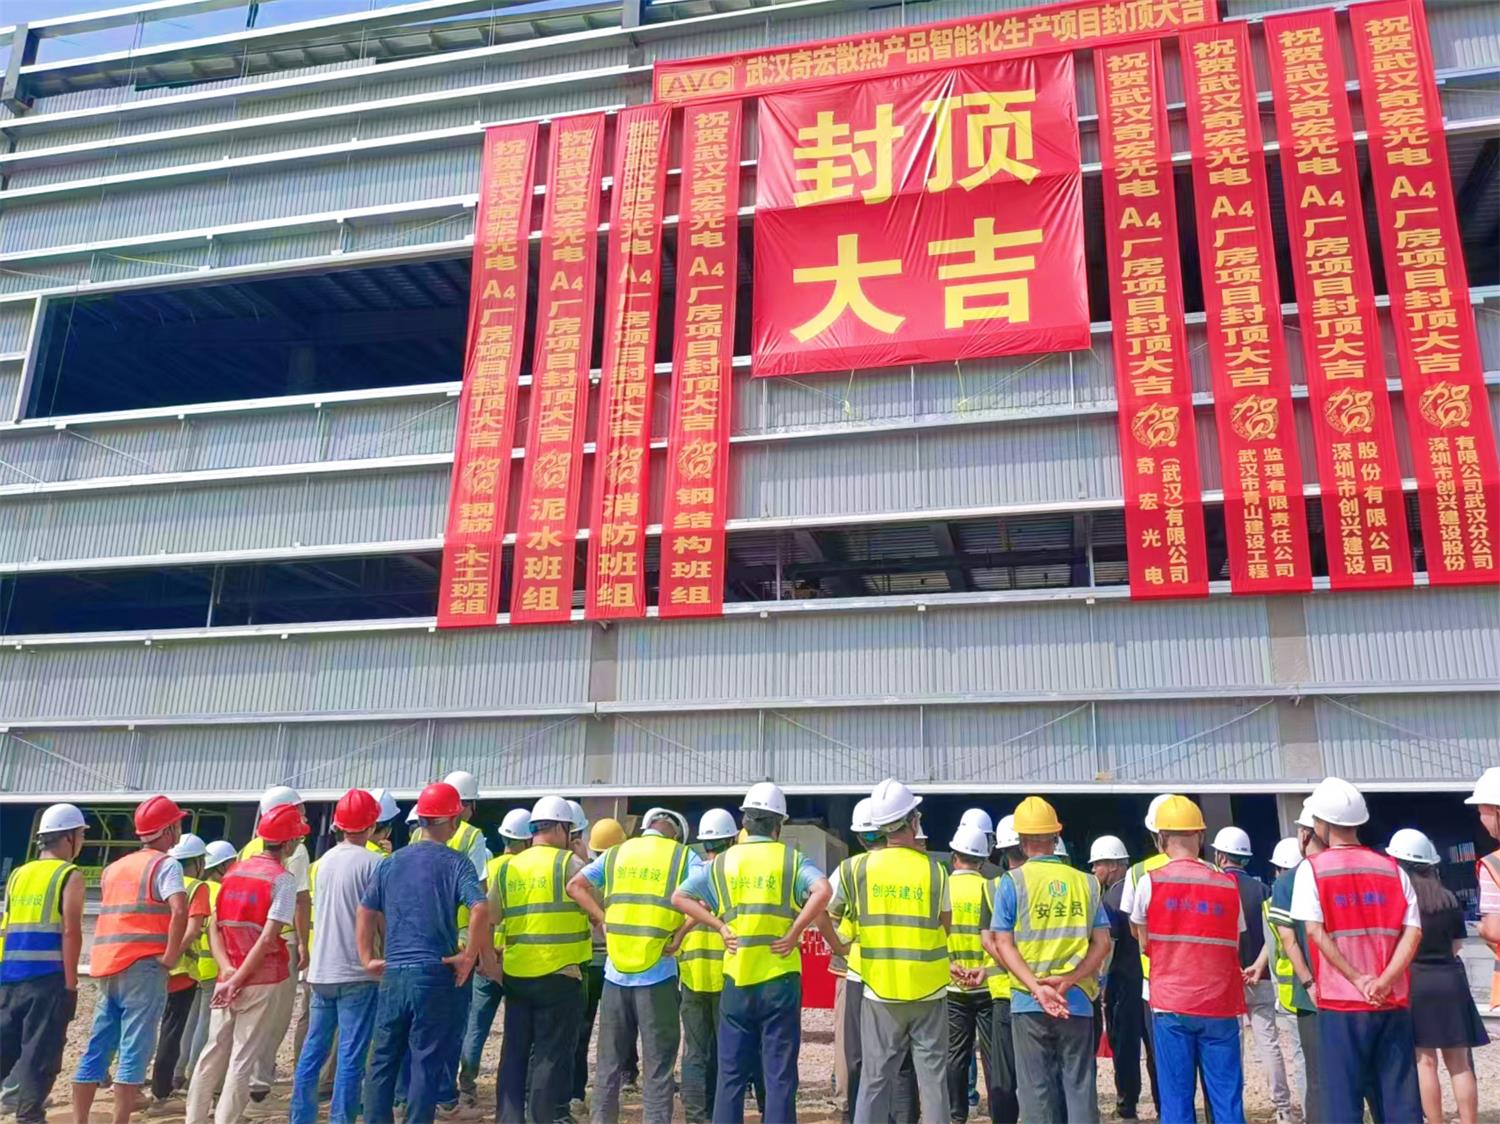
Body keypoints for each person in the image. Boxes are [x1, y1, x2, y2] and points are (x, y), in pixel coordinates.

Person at [672, 782, 832, 1124]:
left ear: (745, 823)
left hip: (737, 977)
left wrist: (720, 927)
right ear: (779, 825)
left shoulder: (722, 863)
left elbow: (680, 897)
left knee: (730, 1073)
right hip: (780, 978)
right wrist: (795, 932)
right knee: (779, 1074)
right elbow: (822, 890)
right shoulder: (791, 860)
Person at [1291, 776, 1423, 1123]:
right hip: (1392, 1001)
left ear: (1321, 824)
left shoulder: (1312, 870)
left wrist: (1359, 979)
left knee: (1342, 1104)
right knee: (1399, 1103)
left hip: (1341, 1004)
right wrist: (1384, 980)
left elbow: (1315, 932)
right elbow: (1412, 933)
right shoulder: (1393, 870)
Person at [360, 781, 493, 1124]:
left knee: (382, 1060)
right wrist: (469, 957)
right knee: (426, 1059)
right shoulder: (456, 862)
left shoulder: (391, 861)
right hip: (433, 973)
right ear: (453, 820)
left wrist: (366, 957)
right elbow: (480, 908)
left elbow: (366, 909)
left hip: (394, 970)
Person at [982, 795, 1111, 1124]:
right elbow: (1102, 943)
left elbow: (1002, 943)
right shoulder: (1087, 883)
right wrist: (1069, 979)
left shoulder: (1012, 882)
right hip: (1076, 998)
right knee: (1080, 1088)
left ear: (1022, 840)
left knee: (1036, 1091)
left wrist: (1037, 988)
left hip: (1029, 1001)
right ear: (1056, 836)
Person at [826, 780, 948, 1123]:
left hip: (879, 990)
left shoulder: (855, 869)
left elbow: (824, 910)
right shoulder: (935, 871)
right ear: (912, 821)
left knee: (874, 1079)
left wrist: (839, 946)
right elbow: (946, 924)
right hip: (929, 991)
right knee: (933, 1083)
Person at [566, 807, 695, 1124]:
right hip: (658, 973)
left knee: (608, 1063)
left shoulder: (615, 854)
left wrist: (602, 920)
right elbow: (709, 896)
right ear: (676, 834)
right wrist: (680, 934)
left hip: (615, 973)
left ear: (647, 826)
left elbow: (575, 886)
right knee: (658, 1065)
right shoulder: (682, 857)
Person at [185, 802, 307, 1124]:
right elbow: (267, 939)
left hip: (227, 976)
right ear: (290, 842)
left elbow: (214, 925)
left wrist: (227, 970)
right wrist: (238, 978)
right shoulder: (283, 880)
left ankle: (193, 1119)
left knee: (212, 1053)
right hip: (261, 979)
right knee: (242, 1058)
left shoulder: (234, 872)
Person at [73, 795, 190, 1124]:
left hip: (108, 965)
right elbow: (179, 909)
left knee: (98, 1046)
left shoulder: (114, 868)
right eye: (177, 824)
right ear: (167, 829)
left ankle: (80, 1119)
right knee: (135, 1048)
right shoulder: (166, 865)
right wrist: (171, 955)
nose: (180, 829)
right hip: (143, 965)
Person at [1129, 797, 1246, 1124]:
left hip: (1172, 1004)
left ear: (1160, 838)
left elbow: (1143, 940)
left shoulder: (1149, 882)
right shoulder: (1227, 884)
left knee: (1176, 1098)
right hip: (1220, 1003)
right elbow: (1234, 942)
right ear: (1201, 836)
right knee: (1227, 1097)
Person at [290, 789, 386, 1124]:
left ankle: (300, 1118)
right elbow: (381, 918)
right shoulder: (375, 864)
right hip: (358, 971)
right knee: (350, 1057)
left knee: (312, 1053)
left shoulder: (322, 863)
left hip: (321, 971)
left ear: (339, 824)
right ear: (372, 825)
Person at [493, 795, 589, 1123]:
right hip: (560, 973)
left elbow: (492, 915)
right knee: (550, 1055)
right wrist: (584, 859)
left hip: (517, 974)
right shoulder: (569, 864)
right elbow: (597, 905)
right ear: (562, 828)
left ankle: (508, 1118)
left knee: (514, 1053)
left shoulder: (509, 868)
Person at [1387, 828, 1487, 1124]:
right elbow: (1457, 946)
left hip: (1416, 981)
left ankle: (1435, 1120)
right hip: (1450, 981)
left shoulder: (1399, 900)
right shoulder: (1448, 899)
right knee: (1459, 1063)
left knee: (1425, 1062)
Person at [0, 804, 86, 1124]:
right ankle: (29, 1117)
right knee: (41, 1054)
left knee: (4, 1049)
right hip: (47, 979)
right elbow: (71, 932)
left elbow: (6, 926)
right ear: (68, 837)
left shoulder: (18, 874)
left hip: (9, 977)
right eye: (80, 835)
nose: (82, 842)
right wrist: (70, 984)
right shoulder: (68, 875)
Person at [1212, 826, 1293, 1124]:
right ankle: (1283, 1108)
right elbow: (1274, 936)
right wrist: (1259, 965)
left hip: (1227, 979)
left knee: (1231, 1047)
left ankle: (1232, 1110)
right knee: (1269, 1043)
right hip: (1261, 976)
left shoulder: (1216, 886)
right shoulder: (1263, 891)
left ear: (1220, 855)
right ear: (1245, 858)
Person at [238, 784, 313, 1102]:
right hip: (281, 940)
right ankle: (259, 1082)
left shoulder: (249, 847)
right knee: (277, 1013)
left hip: (247, 939)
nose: (304, 817)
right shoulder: (296, 848)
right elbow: (301, 899)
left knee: (249, 1010)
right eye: (300, 810)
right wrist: (304, 943)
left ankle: (242, 1075)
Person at [458, 806, 532, 1101]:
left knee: (476, 1026)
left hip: (485, 957)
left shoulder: (490, 867)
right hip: (515, 959)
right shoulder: (527, 870)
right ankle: (513, 1089)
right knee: (517, 1029)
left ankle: (466, 1085)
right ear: (527, 840)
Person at [678, 809, 738, 1124]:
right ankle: (721, 1114)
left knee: (695, 1051)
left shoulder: (692, 876)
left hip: (692, 974)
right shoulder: (731, 876)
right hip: (726, 974)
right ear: (733, 839)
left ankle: (695, 1116)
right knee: (727, 1051)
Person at [148, 833, 213, 1112]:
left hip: (149, 966)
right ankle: (160, 1093)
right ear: (197, 863)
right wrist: (173, 955)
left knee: (145, 1028)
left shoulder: (159, 880)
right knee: (172, 1032)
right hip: (180, 972)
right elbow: (194, 928)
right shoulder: (197, 887)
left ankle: (131, 1086)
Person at [1091, 833, 1151, 1120]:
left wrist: (1101, 982)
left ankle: (1127, 1105)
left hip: (1122, 984)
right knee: (1154, 1048)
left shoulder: (1111, 898)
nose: (1094, 870)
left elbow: (1109, 945)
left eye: (1097, 864)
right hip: (1149, 981)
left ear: (1113, 865)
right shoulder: (1143, 885)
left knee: (1125, 1047)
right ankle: (1164, 1104)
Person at [831, 799, 881, 1124]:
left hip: (853, 969)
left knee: (850, 1046)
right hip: (898, 971)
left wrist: (840, 944)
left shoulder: (848, 870)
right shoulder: (910, 866)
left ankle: (849, 1107)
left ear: (859, 836)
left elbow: (825, 910)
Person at [574, 816, 630, 1111]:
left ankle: (575, 1093)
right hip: (613, 961)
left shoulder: (584, 873)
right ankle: (626, 1077)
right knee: (619, 1031)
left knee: (581, 1031)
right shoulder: (623, 874)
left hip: (586, 960)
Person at [176, 840, 237, 1088]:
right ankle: (195, 1073)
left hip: (192, 965)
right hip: (212, 966)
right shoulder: (220, 891)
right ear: (221, 866)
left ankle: (178, 1070)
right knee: (205, 1022)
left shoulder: (189, 887)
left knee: (188, 1022)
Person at [946, 823, 995, 1124]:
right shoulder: (991, 889)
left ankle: (956, 1115)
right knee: (993, 1056)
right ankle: (1000, 1113)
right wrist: (987, 970)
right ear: (982, 860)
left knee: (956, 1054)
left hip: (953, 985)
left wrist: (949, 965)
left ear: (955, 857)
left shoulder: (943, 888)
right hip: (988, 983)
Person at [1263, 836, 1309, 1120]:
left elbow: (1273, 952)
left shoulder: (1271, 904)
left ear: (1279, 870)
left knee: (1302, 1059)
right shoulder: (1316, 894)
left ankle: (1309, 1112)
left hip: (1293, 995)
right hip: (1323, 990)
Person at [984, 814, 1023, 1124]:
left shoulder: (994, 886)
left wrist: (1014, 969)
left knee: (1004, 1073)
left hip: (1004, 992)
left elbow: (989, 941)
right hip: (1048, 991)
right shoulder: (1053, 881)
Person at [1466, 767, 1500, 1008]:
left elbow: (1495, 930)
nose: (1481, 820)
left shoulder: (1494, 864)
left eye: (1481, 812)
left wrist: (1480, 928)